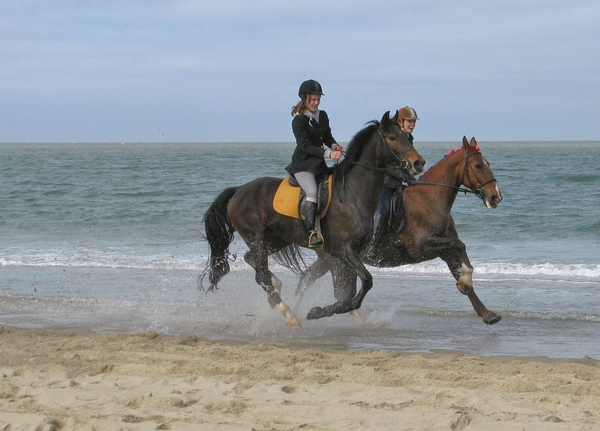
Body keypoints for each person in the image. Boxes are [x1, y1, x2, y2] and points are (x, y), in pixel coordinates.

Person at [285, 79, 343, 248]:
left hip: (318, 165)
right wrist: (329, 154)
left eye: (318, 99)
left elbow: (327, 136)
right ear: (305, 99)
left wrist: (334, 145)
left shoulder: (322, 115)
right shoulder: (298, 121)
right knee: (312, 191)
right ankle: (311, 233)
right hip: (302, 165)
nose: (316, 103)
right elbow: (305, 146)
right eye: (313, 99)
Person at [367, 106, 419, 259]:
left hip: (397, 183)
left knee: (406, 207)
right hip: (384, 182)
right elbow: (386, 165)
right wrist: (405, 177)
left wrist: (412, 177)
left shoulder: (408, 139)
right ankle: (373, 245)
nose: (412, 124)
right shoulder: (394, 138)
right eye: (409, 121)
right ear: (401, 122)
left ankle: (399, 238)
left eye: (414, 122)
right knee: (383, 209)